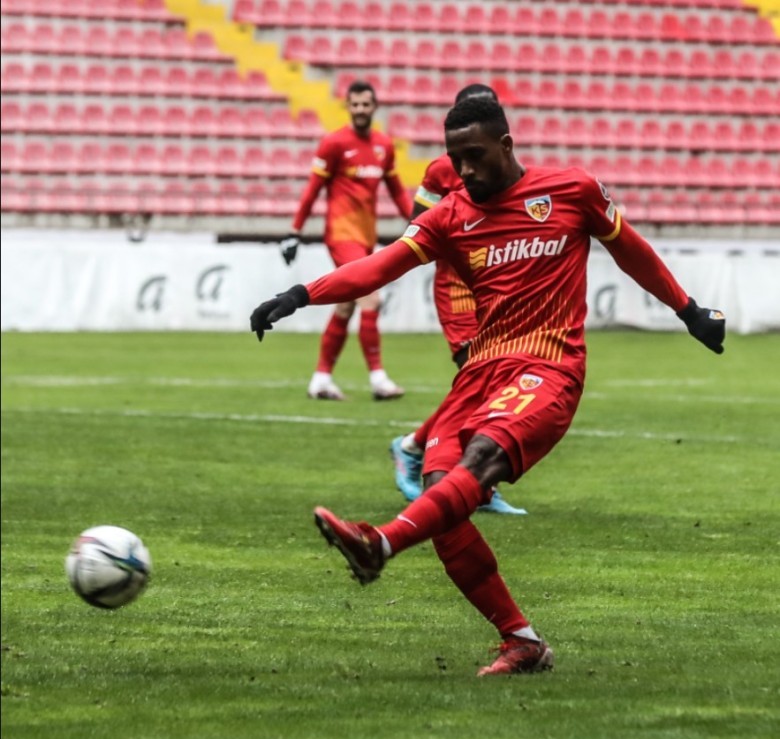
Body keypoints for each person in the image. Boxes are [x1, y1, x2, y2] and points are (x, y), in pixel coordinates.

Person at [251, 98, 725, 676]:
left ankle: (380, 545)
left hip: (547, 365)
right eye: (456, 159)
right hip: (478, 373)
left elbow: (631, 251)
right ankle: (521, 640)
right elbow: (382, 265)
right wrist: (301, 294)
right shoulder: (450, 214)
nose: (465, 170)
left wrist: (688, 310)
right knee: (442, 504)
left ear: (506, 144)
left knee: (480, 461)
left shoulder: (572, 191)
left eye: (474, 156)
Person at [389, 83, 525, 515]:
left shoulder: (503, 166)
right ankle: (468, 477)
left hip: (494, 286)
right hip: (456, 287)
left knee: (491, 382)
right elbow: (417, 227)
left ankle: (418, 449)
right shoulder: (439, 172)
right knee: (479, 377)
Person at [280, 80, 412, 401]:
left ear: (374, 107)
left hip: (365, 238)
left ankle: (321, 379)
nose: (360, 110)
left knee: (346, 306)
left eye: (365, 104)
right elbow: (312, 190)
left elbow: (396, 191)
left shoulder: (384, 145)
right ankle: (379, 379)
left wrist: (419, 221)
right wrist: (294, 231)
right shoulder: (334, 143)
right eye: (355, 104)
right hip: (341, 236)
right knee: (371, 299)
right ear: (348, 107)